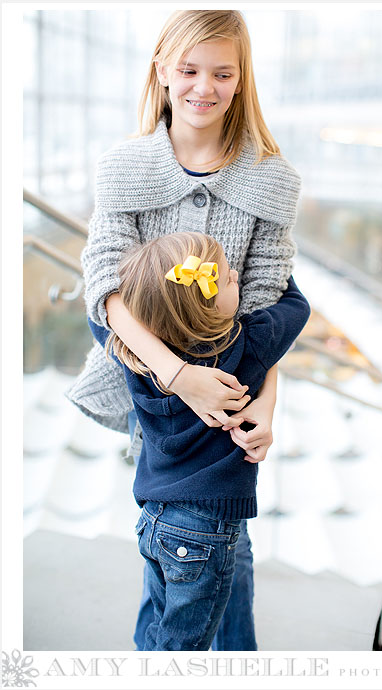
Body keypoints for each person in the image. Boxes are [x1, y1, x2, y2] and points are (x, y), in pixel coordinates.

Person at [65, 10, 301, 650]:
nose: (205, 87)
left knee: (210, 542)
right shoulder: (123, 165)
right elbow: (105, 294)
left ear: (241, 78)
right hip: (144, 376)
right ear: (162, 71)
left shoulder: (271, 180)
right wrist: (178, 376)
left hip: (233, 393)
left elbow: (267, 306)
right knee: (187, 539)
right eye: (190, 69)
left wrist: (266, 406)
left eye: (223, 73)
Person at [89, 231, 310, 650]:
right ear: (205, 309)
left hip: (153, 519)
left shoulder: (135, 358)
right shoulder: (248, 344)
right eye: (228, 278)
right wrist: (280, 269)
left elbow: (99, 316)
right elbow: (297, 307)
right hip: (204, 533)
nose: (235, 273)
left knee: (160, 632)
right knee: (183, 651)